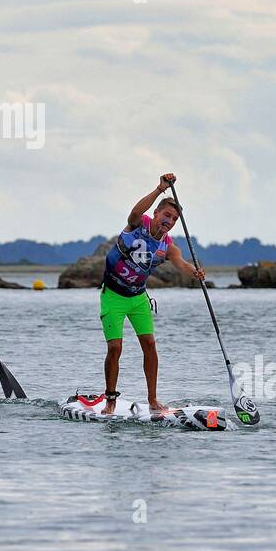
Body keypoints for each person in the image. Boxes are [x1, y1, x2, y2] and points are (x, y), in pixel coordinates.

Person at [99, 173, 205, 415]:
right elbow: (134, 212)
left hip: (138, 299)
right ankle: (110, 401)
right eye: (166, 215)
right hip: (113, 296)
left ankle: (153, 400)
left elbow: (182, 265)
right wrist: (159, 189)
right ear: (156, 214)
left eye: (174, 219)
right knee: (115, 348)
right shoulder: (138, 223)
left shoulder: (168, 247)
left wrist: (195, 272)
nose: (169, 221)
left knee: (149, 344)